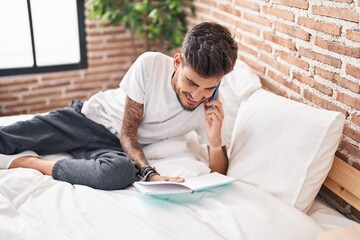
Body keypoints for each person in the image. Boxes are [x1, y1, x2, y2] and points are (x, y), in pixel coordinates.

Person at [0, 22, 238, 190]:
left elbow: (218, 173)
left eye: (208, 88)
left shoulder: (211, 108)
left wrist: (215, 142)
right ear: (177, 62)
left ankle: (31, 163)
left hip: (113, 148)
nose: (197, 96)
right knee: (7, 138)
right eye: (191, 82)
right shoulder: (150, 65)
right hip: (87, 121)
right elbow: (128, 133)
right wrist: (149, 174)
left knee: (120, 173)